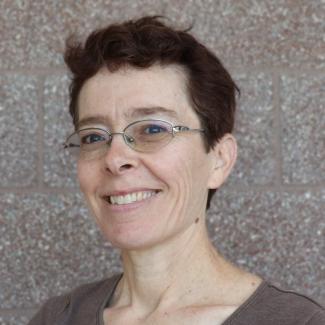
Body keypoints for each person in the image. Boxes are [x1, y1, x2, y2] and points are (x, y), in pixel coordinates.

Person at [28, 16, 324, 325]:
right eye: (93, 137)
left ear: (219, 159)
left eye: (153, 129)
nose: (115, 158)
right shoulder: (56, 319)